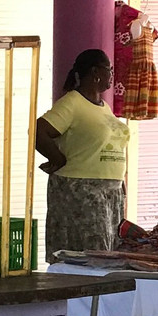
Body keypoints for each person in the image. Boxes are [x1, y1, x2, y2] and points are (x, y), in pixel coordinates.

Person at [35, 49, 130, 261]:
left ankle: (101, 295)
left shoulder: (103, 106)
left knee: (109, 253)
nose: (112, 75)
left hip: (110, 192)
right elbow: (39, 130)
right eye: (110, 70)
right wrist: (57, 159)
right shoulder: (73, 102)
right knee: (91, 254)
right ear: (95, 71)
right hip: (82, 191)